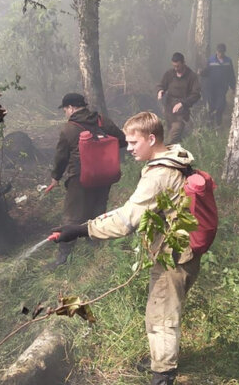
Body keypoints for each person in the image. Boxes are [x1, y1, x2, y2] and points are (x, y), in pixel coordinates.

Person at [50, 112, 201, 385]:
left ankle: (163, 375)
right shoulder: (174, 157)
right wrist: (92, 223)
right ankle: (161, 360)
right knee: (162, 309)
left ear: (151, 139)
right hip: (177, 250)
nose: (127, 147)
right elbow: (135, 208)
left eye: (133, 142)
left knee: (161, 315)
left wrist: (81, 229)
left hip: (174, 256)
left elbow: (126, 222)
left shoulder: (159, 175)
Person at [49, 92, 126, 267]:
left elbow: (61, 157)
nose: (66, 113)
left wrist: (55, 177)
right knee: (98, 211)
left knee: (72, 217)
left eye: (65, 110)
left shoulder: (69, 128)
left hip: (80, 179)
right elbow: (121, 140)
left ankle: (63, 258)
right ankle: (95, 249)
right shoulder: (102, 121)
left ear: (70, 108)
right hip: (105, 175)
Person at [157, 52, 201, 145]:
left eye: (178, 66)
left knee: (173, 137)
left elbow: (196, 94)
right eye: (174, 66)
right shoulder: (169, 74)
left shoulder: (191, 76)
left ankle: (166, 152)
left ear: (183, 63)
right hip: (169, 109)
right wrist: (160, 90)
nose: (176, 69)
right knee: (171, 133)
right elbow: (161, 84)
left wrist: (182, 103)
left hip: (182, 112)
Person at [201, 43, 235, 127]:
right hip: (211, 88)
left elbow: (231, 74)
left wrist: (233, 86)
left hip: (222, 88)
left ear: (224, 52)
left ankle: (218, 124)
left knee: (220, 106)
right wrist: (201, 72)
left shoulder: (228, 61)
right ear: (216, 51)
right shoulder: (211, 60)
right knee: (211, 106)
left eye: (222, 52)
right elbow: (206, 72)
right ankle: (210, 124)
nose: (220, 54)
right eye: (219, 52)